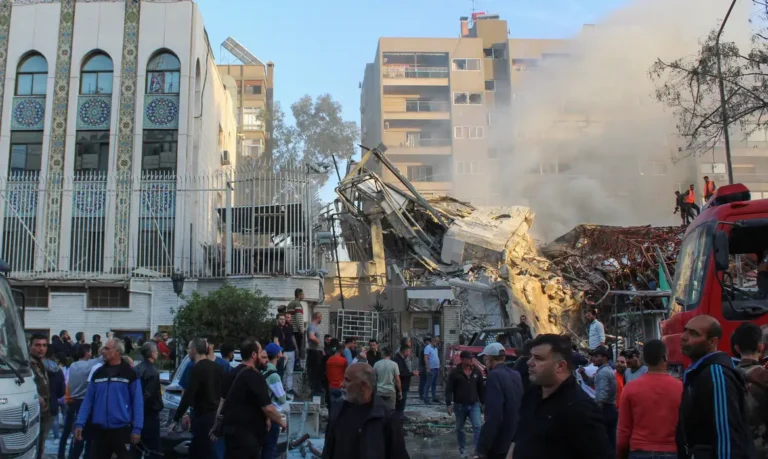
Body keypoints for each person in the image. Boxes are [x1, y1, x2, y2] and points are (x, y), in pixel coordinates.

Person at [514, 334, 613, 459]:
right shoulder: (531, 394)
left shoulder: (580, 408)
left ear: (560, 366)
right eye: (531, 356)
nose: (529, 362)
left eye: (538, 358)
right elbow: (519, 438)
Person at [676, 315, 755, 458]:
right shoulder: (697, 372)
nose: (684, 337)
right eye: (685, 330)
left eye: (694, 333)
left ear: (712, 342)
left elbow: (726, 432)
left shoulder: (716, 373)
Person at [322, 363, 409, 459]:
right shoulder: (338, 410)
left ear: (364, 385)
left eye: (347, 380)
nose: (342, 384)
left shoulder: (387, 417)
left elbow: (398, 454)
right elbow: (328, 450)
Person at [74, 338, 143, 459]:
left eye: (106, 348)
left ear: (117, 352)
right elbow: (88, 400)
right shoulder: (98, 373)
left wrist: (137, 428)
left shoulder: (130, 373)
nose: (102, 351)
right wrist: (80, 423)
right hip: (100, 431)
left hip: (122, 430)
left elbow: (137, 402)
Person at [217, 339, 286, 459]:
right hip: (247, 436)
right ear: (254, 355)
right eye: (260, 354)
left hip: (230, 433)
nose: (263, 358)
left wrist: (215, 426)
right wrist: (281, 422)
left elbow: (222, 402)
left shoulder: (230, 373)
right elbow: (268, 408)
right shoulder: (255, 376)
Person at [617, 339, 682, 459]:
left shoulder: (630, 388)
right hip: (671, 451)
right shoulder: (680, 388)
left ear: (644, 360)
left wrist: (621, 454)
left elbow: (623, 430)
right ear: (665, 357)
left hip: (639, 451)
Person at [170, 338, 224, 459]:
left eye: (188, 349)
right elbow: (223, 394)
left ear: (194, 350)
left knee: (198, 451)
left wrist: (177, 418)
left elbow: (189, 395)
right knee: (210, 451)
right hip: (215, 416)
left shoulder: (195, 369)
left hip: (201, 416)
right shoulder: (218, 368)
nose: (187, 352)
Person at [474, 343, 521, 459]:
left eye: (485, 359)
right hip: (514, 439)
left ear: (489, 358)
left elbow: (494, 416)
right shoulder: (516, 374)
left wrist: (481, 449)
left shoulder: (494, 376)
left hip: (499, 442)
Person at [731, 322, 768, 456]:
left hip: (737, 448)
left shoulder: (727, 375)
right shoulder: (764, 376)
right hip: (762, 449)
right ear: (761, 346)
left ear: (737, 348)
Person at [446, 350, 484, 458]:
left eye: (472, 358)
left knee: (477, 427)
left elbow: (481, 388)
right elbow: (449, 389)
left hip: (474, 405)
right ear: (463, 360)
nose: (472, 360)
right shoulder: (455, 373)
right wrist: (448, 404)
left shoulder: (476, 371)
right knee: (460, 428)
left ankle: (477, 450)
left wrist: (484, 402)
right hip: (459, 405)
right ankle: (462, 450)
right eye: (469, 358)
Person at [579, 346, 617, 451]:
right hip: (609, 409)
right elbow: (590, 382)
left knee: (604, 443)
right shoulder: (604, 370)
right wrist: (582, 373)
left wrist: (596, 414)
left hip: (606, 410)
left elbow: (601, 396)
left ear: (604, 358)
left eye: (596, 356)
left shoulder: (603, 373)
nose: (593, 359)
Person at [134, 342, 163, 459]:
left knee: (136, 447)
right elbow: (149, 396)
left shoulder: (137, 369)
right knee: (152, 449)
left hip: (137, 414)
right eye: (156, 351)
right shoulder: (152, 372)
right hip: (149, 414)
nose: (158, 353)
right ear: (152, 354)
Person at [262, 343, 288, 459]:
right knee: (270, 448)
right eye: (280, 352)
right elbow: (282, 398)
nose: (282, 354)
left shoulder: (263, 370)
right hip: (272, 416)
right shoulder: (274, 375)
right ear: (277, 355)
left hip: (262, 414)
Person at [29, 334, 51, 459]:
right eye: (37, 345)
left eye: (44, 345)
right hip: (33, 411)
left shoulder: (41, 363)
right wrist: (35, 395)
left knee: (40, 445)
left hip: (44, 412)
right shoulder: (27, 363)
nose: (41, 348)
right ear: (30, 346)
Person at [272, 314, 297, 396]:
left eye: (284, 319)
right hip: (282, 352)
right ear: (278, 320)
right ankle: (279, 391)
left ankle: (286, 389)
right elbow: (276, 340)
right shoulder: (277, 328)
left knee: (287, 371)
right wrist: (280, 352)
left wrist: (296, 347)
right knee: (280, 371)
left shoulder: (287, 327)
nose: (283, 320)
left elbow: (291, 337)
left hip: (288, 352)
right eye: (281, 319)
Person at [393, 344, 417, 419]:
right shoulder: (398, 359)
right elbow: (401, 373)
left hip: (403, 385)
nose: (409, 354)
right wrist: (412, 373)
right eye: (409, 352)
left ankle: (400, 416)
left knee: (401, 402)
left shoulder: (400, 359)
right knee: (400, 403)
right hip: (401, 385)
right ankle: (399, 417)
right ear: (405, 352)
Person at [326, 340, 347, 410]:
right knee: (340, 407)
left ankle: (332, 419)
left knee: (332, 406)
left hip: (331, 386)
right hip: (340, 386)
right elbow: (346, 373)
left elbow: (327, 373)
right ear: (341, 350)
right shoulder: (343, 361)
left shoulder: (329, 359)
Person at [307, 311, 324, 395]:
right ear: (318, 317)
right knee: (315, 371)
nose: (321, 319)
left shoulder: (315, 327)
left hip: (318, 351)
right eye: (321, 318)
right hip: (314, 352)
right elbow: (311, 336)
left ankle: (317, 389)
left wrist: (321, 349)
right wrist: (318, 343)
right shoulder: (312, 326)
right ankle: (314, 390)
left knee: (318, 371)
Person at [288, 288, 306, 365]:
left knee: (293, 348)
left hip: (291, 330)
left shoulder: (290, 304)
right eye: (303, 294)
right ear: (299, 295)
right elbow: (299, 319)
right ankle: (297, 364)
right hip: (296, 331)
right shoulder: (298, 304)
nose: (304, 296)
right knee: (298, 348)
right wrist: (301, 330)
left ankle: (293, 363)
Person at [423, 337, 440, 404]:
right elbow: (426, 358)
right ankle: (426, 398)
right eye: (436, 342)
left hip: (436, 368)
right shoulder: (428, 348)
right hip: (431, 368)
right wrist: (427, 367)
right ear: (433, 341)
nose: (437, 343)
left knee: (434, 384)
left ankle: (434, 397)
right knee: (428, 384)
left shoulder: (435, 348)